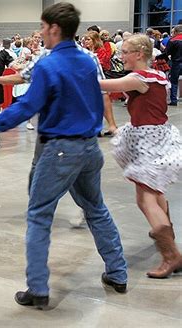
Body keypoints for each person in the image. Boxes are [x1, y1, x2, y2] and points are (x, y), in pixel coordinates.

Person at [0, 2, 127, 307]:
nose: (41, 33)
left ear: (54, 29)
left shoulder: (48, 64)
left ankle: (38, 288)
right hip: (89, 147)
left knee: (39, 215)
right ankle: (118, 272)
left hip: (60, 150)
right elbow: (99, 97)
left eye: (43, 28)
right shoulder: (87, 61)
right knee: (96, 208)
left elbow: (27, 105)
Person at [100, 34, 182, 278]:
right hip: (157, 136)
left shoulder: (139, 78)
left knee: (145, 198)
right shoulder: (158, 75)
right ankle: (169, 238)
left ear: (139, 54)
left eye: (125, 52)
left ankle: (171, 255)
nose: (120, 55)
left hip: (148, 141)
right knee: (155, 193)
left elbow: (103, 86)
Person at [157, 24, 182, 106]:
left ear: (175, 32)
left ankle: (174, 100)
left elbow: (167, 53)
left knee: (174, 81)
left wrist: (157, 57)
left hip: (176, 63)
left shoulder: (173, 40)